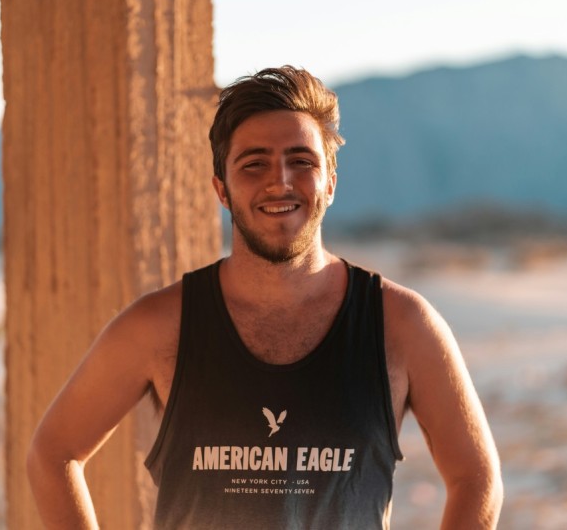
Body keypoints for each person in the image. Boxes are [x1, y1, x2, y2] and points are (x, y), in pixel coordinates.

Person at [27, 66, 503, 529]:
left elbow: (477, 479)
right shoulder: (159, 325)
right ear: (222, 190)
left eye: (302, 161)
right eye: (254, 164)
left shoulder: (400, 324)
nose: (280, 181)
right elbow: (52, 454)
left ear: (330, 183)